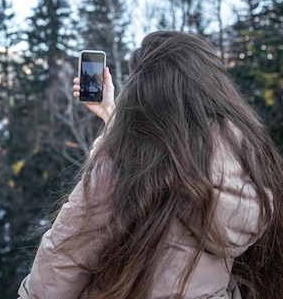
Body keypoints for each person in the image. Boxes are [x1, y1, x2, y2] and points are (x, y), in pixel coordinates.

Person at [17, 31, 283, 298]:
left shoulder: (122, 167)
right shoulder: (252, 158)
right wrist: (111, 116)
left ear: (144, 93)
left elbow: (62, 261)